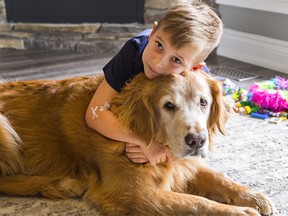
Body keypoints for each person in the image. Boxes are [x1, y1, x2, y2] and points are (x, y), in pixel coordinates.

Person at [85, 0, 223, 166]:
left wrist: (168, 152)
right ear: (152, 33)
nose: (158, 63)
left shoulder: (198, 81)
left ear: (194, 68)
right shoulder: (131, 53)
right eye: (159, 45)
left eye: (176, 59)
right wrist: (146, 143)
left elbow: (203, 128)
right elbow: (94, 114)